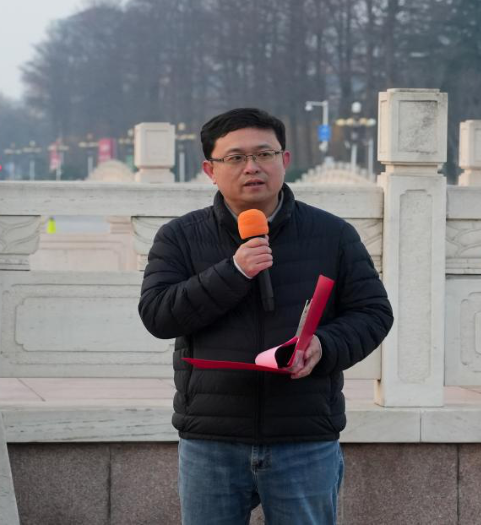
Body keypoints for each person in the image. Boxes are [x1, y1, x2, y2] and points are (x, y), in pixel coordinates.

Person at [138, 107, 393, 525]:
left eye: (264, 154)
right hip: (211, 439)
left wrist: (324, 346)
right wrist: (233, 272)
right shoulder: (180, 237)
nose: (252, 167)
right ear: (210, 170)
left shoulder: (332, 234)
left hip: (304, 435)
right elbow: (158, 315)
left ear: (285, 160)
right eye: (235, 157)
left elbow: (373, 312)